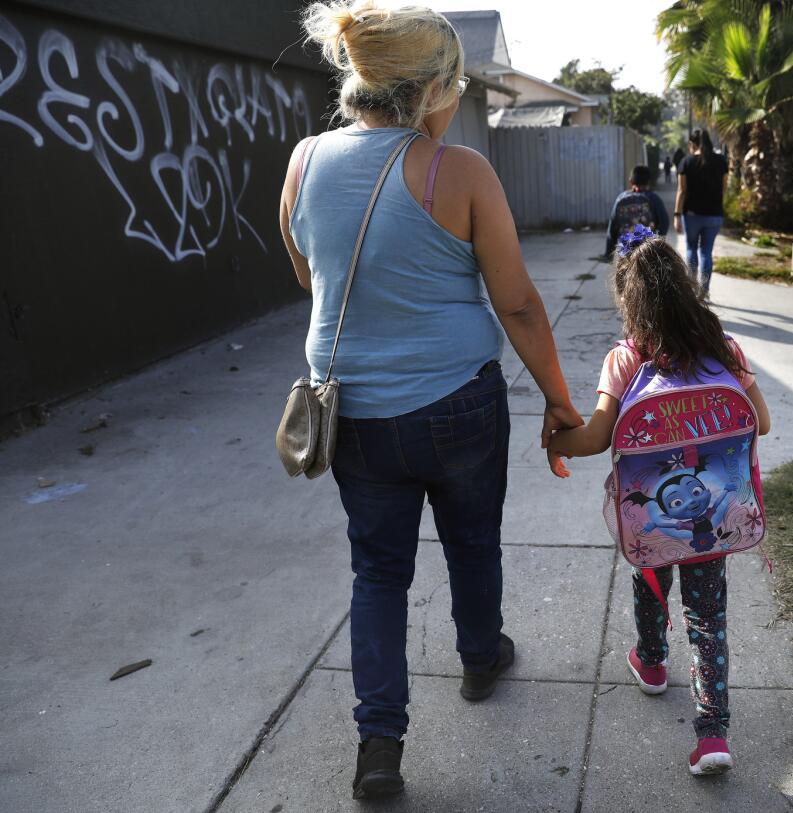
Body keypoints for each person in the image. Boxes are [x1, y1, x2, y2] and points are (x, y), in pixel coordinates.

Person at [278, 1, 582, 800]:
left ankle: (380, 744)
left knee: (377, 571)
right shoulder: (460, 171)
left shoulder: (304, 161)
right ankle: (480, 659)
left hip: (357, 416)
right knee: (472, 541)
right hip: (458, 404)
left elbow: (312, 276)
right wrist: (559, 399)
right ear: (433, 92)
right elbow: (516, 304)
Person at [543, 229, 771, 776]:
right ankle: (712, 732)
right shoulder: (724, 348)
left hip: (653, 516)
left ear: (630, 300)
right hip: (715, 514)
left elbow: (598, 438)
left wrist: (554, 440)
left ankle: (650, 660)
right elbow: (760, 421)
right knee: (708, 614)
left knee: (649, 574)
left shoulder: (626, 359)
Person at [674, 129, 729, 299]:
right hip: (714, 215)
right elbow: (724, 189)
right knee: (706, 252)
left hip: (691, 215)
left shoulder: (687, 162)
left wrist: (677, 214)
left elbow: (682, 191)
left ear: (692, 144)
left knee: (691, 248)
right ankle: (704, 290)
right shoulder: (721, 161)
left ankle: (691, 289)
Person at [604, 165, 669, 260]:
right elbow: (664, 222)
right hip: (647, 250)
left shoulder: (621, 198)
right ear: (648, 181)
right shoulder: (654, 199)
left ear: (630, 181)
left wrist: (608, 253)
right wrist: (658, 242)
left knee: (626, 272)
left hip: (626, 250)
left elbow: (612, 227)